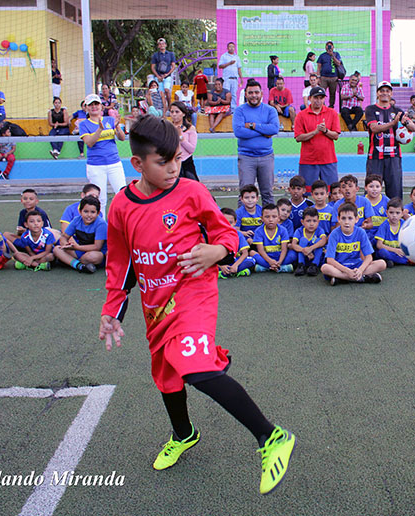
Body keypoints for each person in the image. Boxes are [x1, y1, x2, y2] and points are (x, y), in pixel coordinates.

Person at [98, 115, 296, 493]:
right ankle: (184, 433)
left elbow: (229, 234)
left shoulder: (191, 192)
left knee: (191, 364)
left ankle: (271, 438)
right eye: (163, 161)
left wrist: (217, 251)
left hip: (194, 293)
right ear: (138, 164)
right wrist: (112, 309)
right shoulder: (122, 205)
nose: (174, 167)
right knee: (166, 376)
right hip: (155, 306)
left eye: (177, 158)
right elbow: (120, 263)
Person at [364, 81, 415, 200]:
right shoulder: (370, 109)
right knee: (372, 189)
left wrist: (406, 122)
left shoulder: (397, 111)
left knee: (395, 191)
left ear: (391, 93)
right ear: (377, 93)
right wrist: (393, 123)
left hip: (394, 156)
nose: (384, 93)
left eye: (387, 91)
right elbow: (374, 128)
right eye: (382, 91)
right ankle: (370, 216)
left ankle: (395, 217)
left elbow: (413, 128)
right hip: (375, 156)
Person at [79, 93, 127, 214]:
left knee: (122, 194)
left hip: (114, 163)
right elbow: (89, 143)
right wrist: (100, 129)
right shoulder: (84, 124)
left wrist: (117, 127)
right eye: (91, 105)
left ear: (101, 106)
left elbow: (121, 138)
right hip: (96, 165)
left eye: (96, 104)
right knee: (100, 199)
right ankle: (101, 226)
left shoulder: (110, 120)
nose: (94, 107)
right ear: (86, 108)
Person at [233, 79, 279, 206]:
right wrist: (264, 131)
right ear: (246, 94)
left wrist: (252, 125)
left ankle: (269, 222)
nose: (254, 95)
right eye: (251, 92)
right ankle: (242, 224)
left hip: (266, 157)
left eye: (256, 92)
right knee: (245, 194)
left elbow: (274, 129)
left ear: (261, 93)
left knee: (267, 193)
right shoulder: (240, 111)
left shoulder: (270, 110)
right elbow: (239, 132)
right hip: (246, 157)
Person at [321, 202, 385, 285]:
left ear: (356, 219)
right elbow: (330, 260)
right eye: (343, 218)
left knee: (382, 264)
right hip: (341, 266)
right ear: (338, 219)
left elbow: (369, 257)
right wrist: (347, 271)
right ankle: (362, 278)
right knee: (325, 268)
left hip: (357, 265)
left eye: (350, 218)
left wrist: (360, 270)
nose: (346, 222)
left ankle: (343, 279)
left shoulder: (361, 232)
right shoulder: (334, 234)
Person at [293, 86, 340, 186]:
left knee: (333, 191)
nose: (318, 101)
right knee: (305, 192)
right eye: (316, 98)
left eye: (321, 98)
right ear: (310, 98)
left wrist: (325, 130)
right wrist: (315, 132)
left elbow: (336, 135)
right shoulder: (301, 115)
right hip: (308, 160)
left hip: (328, 159)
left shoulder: (332, 113)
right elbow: (298, 137)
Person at [53, 195, 106, 274]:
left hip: (95, 252)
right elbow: (64, 237)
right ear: (80, 211)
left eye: (92, 212)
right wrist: (65, 244)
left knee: (93, 256)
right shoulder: (76, 220)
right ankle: (80, 266)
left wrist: (77, 247)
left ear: (98, 213)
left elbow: (97, 247)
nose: (89, 215)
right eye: (86, 211)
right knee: (57, 249)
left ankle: (70, 262)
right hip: (80, 250)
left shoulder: (101, 224)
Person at [250, 203, 295, 273]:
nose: (271, 219)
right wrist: (270, 261)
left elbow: (284, 249)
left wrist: (279, 262)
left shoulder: (283, 230)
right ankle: (282, 268)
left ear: (278, 218)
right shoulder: (258, 231)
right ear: (262, 218)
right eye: (267, 217)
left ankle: (266, 267)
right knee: (252, 253)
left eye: (274, 217)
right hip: (266, 258)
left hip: (280, 257)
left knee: (293, 254)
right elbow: (261, 251)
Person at [218, 207, 256, 278]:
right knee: (205, 264)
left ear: (235, 222)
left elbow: (245, 253)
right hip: (219, 263)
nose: (227, 225)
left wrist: (236, 265)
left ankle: (224, 273)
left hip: (234, 261)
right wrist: (221, 266)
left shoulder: (238, 234)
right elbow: (209, 256)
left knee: (251, 260)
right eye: (224, 222)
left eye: (230, 222)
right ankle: (235, 272)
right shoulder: (214, 234)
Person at [289, 207, 327, 276]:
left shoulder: (319, 230)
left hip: (315, 257)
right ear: (302, 222)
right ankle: (301, 265)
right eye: (308, 221)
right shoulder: (299, 231)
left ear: (318, 221)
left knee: (319, 241)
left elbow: (324, 240)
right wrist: (304, 250)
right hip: (305, 256)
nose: (311, 224)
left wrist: (311, 248)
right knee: (303, 240)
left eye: (314, 221)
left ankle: (314, 265)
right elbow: (294, 244)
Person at [374, 198, 409, 267]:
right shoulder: (384, 225)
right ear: (387, 213)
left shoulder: (404, 225)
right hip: (389, 251)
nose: (394, 215)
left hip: (400, 252)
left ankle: (391, 261)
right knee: (382, 252)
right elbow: (379, 245)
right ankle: (406, 262)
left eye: (397, 213)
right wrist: (395, 250)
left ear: (402, 213)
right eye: (391, 212)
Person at [169, 102, 199, 181]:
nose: (174, 114)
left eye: (177, 112)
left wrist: (181, 138)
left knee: (193, 186)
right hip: (172, 162)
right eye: (172, 112)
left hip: (186, 162)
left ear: (183, 114)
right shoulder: (168, 128)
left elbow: (191, 149)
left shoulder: (190, 128)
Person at [151, 38, 178, 112]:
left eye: (163, 44)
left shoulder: (170, 54)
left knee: (167, 90)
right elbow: (153, 67)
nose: (162, 45)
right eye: (160, 44)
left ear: (165, 45)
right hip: (159, 76)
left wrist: (167, 74)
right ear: (158, 46)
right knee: (160, 93)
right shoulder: (156, 55)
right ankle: (163, 108)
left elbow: (173, 66)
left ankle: (170, 106)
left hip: (167, 76)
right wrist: (158, 76)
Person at [317, 41, 343, 109]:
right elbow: (319, 67)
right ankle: (322, 106)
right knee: (321, 92)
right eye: (327, 46)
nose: (329, 47)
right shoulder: (322, 55)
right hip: (324, 77)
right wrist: (318, 77)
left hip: (333, 78)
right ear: (325, 47)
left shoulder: (336, 54)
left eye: (330, 46)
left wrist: (332, 56)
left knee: (332, 93)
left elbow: (338, 63)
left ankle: (331, 106)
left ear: (333, 47)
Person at [364, 174, 388, 242]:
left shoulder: (387, 201)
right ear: (365, 188)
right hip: (366, 236)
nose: (374, 189)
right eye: (371, 186)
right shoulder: (361, 201)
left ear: (381, 187)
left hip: (382, 237)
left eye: (377, 186)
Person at [218, 42, 242, 106]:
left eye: (233, 47)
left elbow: (239, 69)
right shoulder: (224, 56)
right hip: (227, 79)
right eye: (230, 47)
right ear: (227, 48)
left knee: (234, 94)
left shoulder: (237, 57)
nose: (231, 48)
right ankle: (226, 108)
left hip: (234, 79)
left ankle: (233, 110)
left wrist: (241, 79)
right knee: (226, 94)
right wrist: (229, 63)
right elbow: (220, 66)